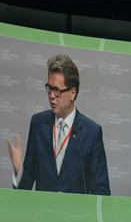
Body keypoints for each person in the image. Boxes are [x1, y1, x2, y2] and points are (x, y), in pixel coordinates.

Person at [7, 54, 111, 195]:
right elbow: (26, 187)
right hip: (43, 214)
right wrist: (19, 170)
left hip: (75, 215)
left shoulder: (92, 132)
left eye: (57, 90)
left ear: (72, 93)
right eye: (49, 88)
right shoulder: (38, 123)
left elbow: (101, 191)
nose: (51, 96)